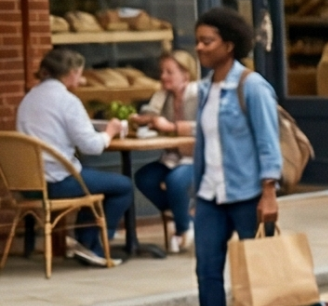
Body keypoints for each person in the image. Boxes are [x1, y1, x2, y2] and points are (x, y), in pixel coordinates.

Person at [177, 6, 328, 306]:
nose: (199, 47)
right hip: (210, 196)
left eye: (207, 41)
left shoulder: (252, 87)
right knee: (208, 273)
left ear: (228, 45)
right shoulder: (205, 91)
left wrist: (269, 192)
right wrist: (195, 196)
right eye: (198, 40)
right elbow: (205, 145)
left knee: (275, 272)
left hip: (248, 194)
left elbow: (268, 143)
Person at [13, 46, 131, 266]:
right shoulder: (67, 101)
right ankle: (94, 244)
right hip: (57, 182)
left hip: (27, 185)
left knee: (91, 181)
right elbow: (92, 146)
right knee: (123, 185)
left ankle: (86, 243)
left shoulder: (28, 99)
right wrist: (110, 132)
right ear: (72, 72)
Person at [134, 49, 201, 252]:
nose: (163, 77)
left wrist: (172, 127)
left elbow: (208, 126)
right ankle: (183, 216)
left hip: (199, 157)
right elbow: (149, 111)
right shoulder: (164, 95)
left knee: (176, 181)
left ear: (186, 75)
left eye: (169, 72)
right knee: (144, 178)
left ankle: (183, 229)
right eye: (162, 72)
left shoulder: (200, 94)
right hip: (173, 157)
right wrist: (143, 118)